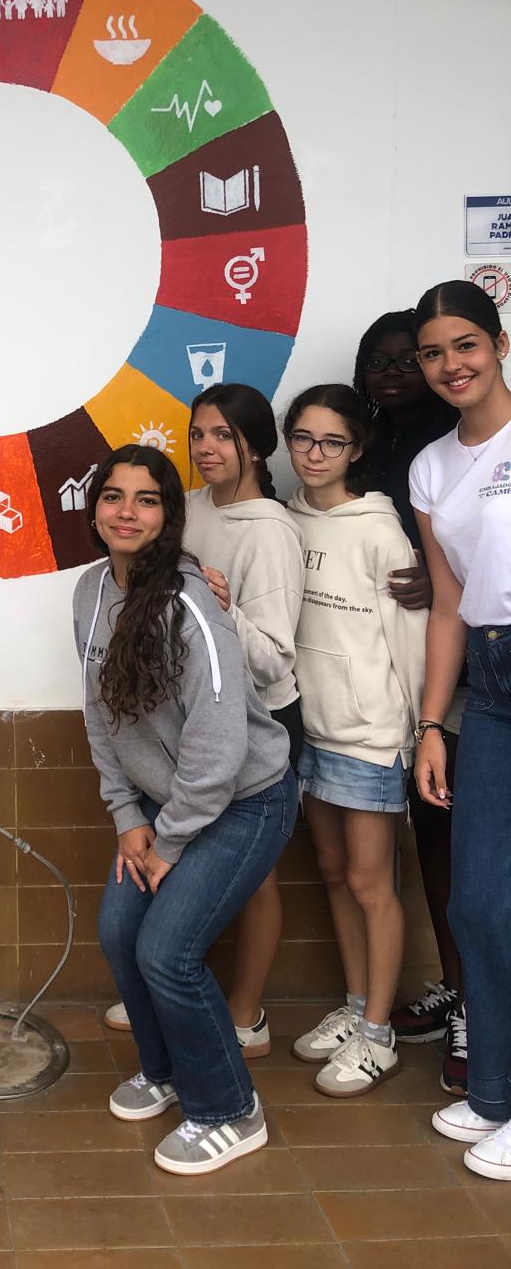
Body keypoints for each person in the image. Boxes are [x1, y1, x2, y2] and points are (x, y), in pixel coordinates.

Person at [77, 445, 295, 1176]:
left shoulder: (189, 598)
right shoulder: (89, 591)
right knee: (119, 932)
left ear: (169, 516)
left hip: (244, 801)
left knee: (167, 953)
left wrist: (165, 843)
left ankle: (230, 1108)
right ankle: (167, 1070)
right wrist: (125, 817)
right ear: (95, 507)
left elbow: (219, 742)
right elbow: (100, 714)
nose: (127, 512)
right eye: (113, 496)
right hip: (160, 806)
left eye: (146, 499)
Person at [104, 386, 304, 1059]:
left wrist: (222, 609)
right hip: (185, 729)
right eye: (197, 434)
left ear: (256, 445)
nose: (207, 448)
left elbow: (275, 660)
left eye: (224, 435)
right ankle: (173, 995)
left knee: (254, 879)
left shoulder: (270, 529)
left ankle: (245, 1012)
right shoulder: (183, 509)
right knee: (194, 897)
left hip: (255, 725)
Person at [283, 384, 425, 1097]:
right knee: (335, 874)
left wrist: (412, 731)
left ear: (357, 450)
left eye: (331, 442)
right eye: (302, 438)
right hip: (312, 730)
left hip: (371, 735)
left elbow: (411, 639)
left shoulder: (378, 529)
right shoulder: (286, 523)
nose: (314, 454)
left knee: (373, 882)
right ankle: (354, 1003)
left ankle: (378, 1035)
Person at [409, 280, 511, 1180]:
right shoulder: (433, 468)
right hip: (486, 678)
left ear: (501, 344)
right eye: (435, 353)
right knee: (477, 900)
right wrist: (433, 725)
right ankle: (498, 1094)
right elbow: (446, 605)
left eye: (467, 345)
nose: (453, 365)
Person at [354, 311, 466, 1090]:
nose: (396, 371)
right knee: (432, 834)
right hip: (393, 671)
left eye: (411, 357)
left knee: (461, 840)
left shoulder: (456, 442)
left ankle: (476, 1008)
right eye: (382, 359)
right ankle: (461, 991)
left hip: (460, 668)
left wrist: (442, 576)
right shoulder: (372, 446)